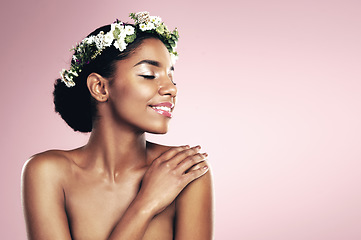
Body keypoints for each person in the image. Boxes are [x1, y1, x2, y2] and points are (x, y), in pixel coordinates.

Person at [21, 12, 213, 240]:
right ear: (100, 88)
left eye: (172, 78)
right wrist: (146, 203)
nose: (171, 89)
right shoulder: (47, 173)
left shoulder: (184, 171)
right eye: (149, 75)